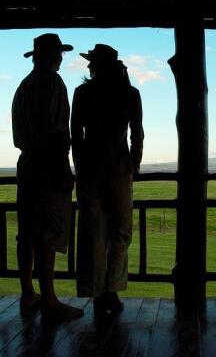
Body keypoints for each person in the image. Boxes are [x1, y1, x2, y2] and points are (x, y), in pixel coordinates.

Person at [12, 33, 83, 320]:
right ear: (51, 55)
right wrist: (63, 168)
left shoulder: (25, 85)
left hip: (27, 163)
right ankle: (50, 299)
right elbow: (55, 131)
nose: (60, 58)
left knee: (27, 231)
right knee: (48, 231)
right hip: (48, 164)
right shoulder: (52, 82)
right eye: (58, 53)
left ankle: (28, 292)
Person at [71, 44, 143, 315]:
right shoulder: (130, 93)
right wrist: (134, 163)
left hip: (90, 172)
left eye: (91, 63)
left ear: (96, 66)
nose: (88, 67)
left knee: (93, 233)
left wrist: (79, 165)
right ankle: (111, 289)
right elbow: (137, 133)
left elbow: (76, 134)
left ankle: (98, 292)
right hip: (120, 171)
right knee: (121, 232)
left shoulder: (83, 93)